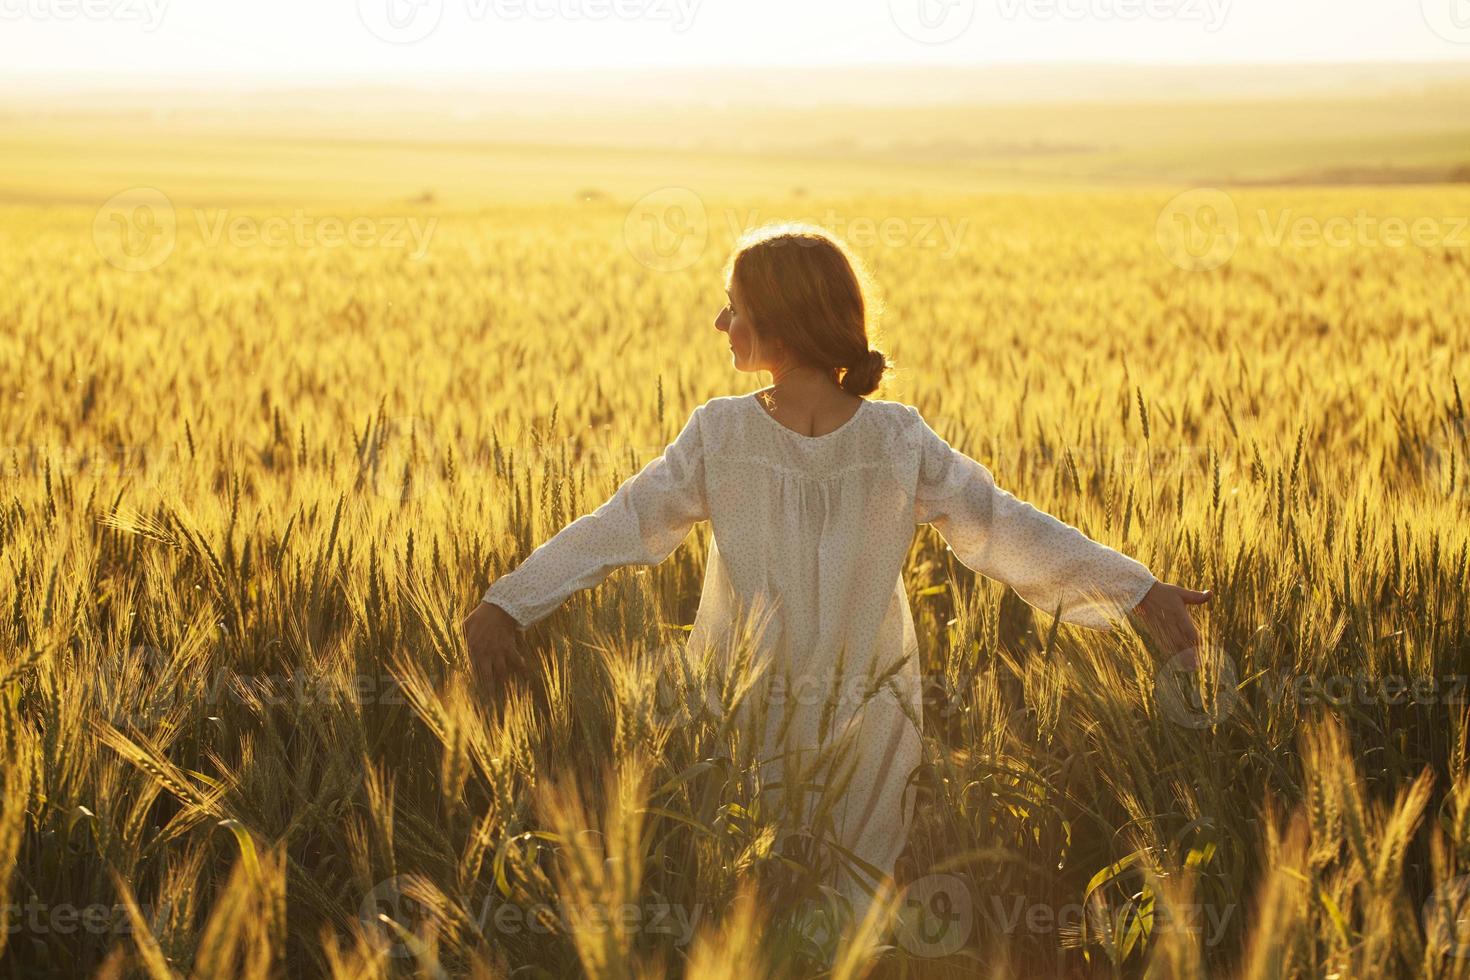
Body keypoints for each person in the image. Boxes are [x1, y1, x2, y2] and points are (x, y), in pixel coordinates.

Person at [462, 221, 1211, 934]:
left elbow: (619, 525)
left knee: (749, 908)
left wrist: (509, 602)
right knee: (850, 917)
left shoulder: (724, 433)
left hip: (744, 710)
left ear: (780, 323)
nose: (720, 325)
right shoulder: (892, 437)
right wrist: (1131, 588)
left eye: (734, 308)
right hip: (869, 717)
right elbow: (1004, 529)